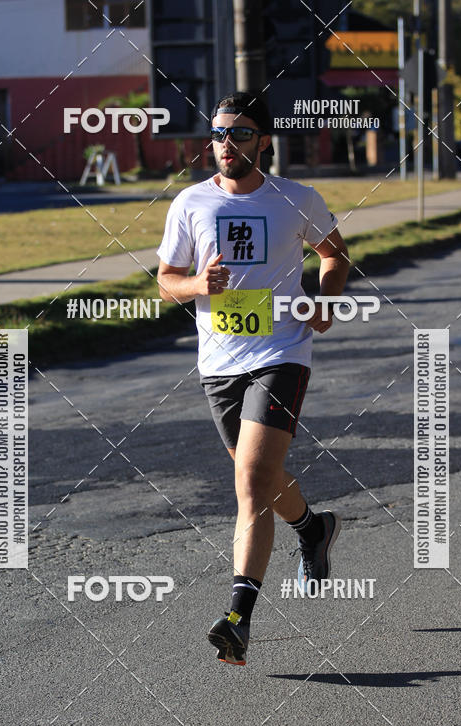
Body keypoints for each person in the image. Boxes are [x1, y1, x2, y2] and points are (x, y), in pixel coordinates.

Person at [157, 91, 350, 666]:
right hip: (218, 362)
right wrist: (199, 287)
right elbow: (167, 278)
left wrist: (324, 300)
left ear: (263, 140)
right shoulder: (191, 202)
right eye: (218, 134)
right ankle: (313, 528)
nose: (225, 144)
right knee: (259, 478)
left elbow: (335, 255)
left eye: (239, 134)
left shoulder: (296, 199)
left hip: (282, 351)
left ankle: (239, 616)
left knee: (250, 483)